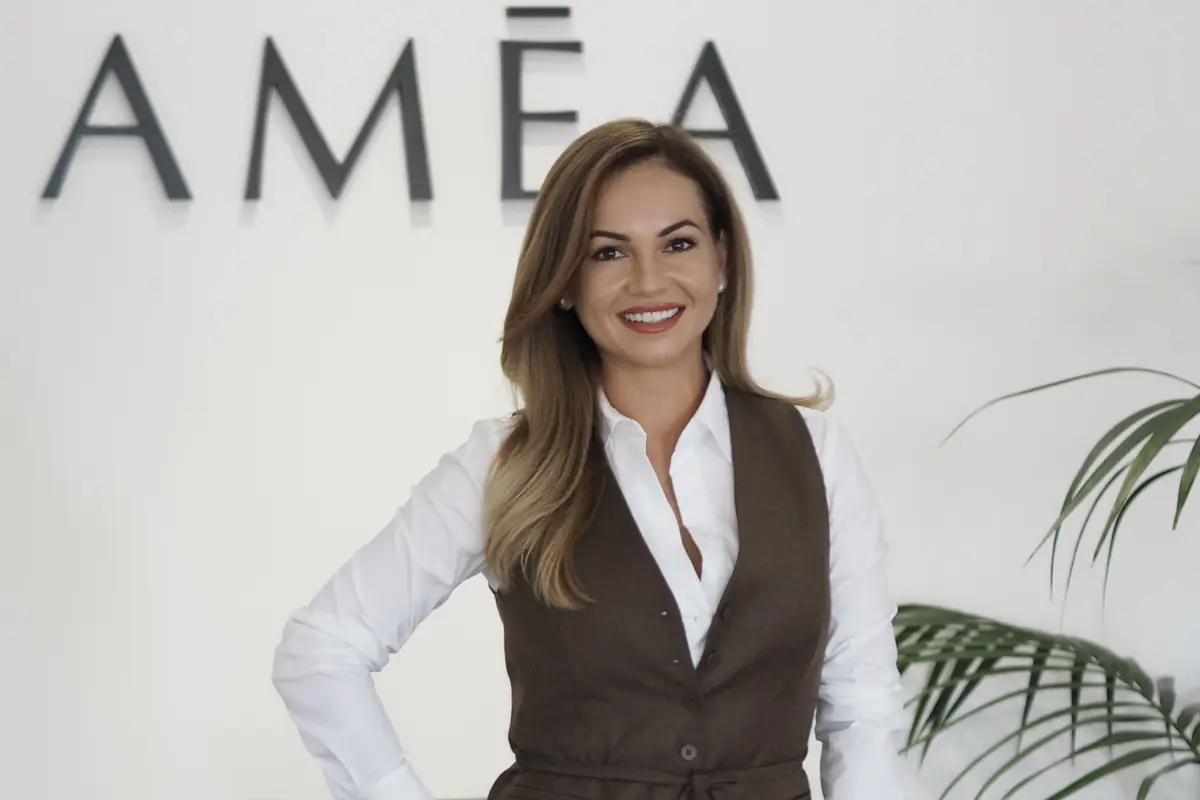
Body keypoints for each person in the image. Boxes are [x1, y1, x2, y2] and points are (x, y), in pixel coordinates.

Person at [272, 118, 905, 800]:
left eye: (679, 244)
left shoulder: (816, 454)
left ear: (721, 260)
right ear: (566, 280)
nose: (649, 280)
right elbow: (321, 650)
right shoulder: (504, 465)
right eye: (609, 253)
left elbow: (862, 708)